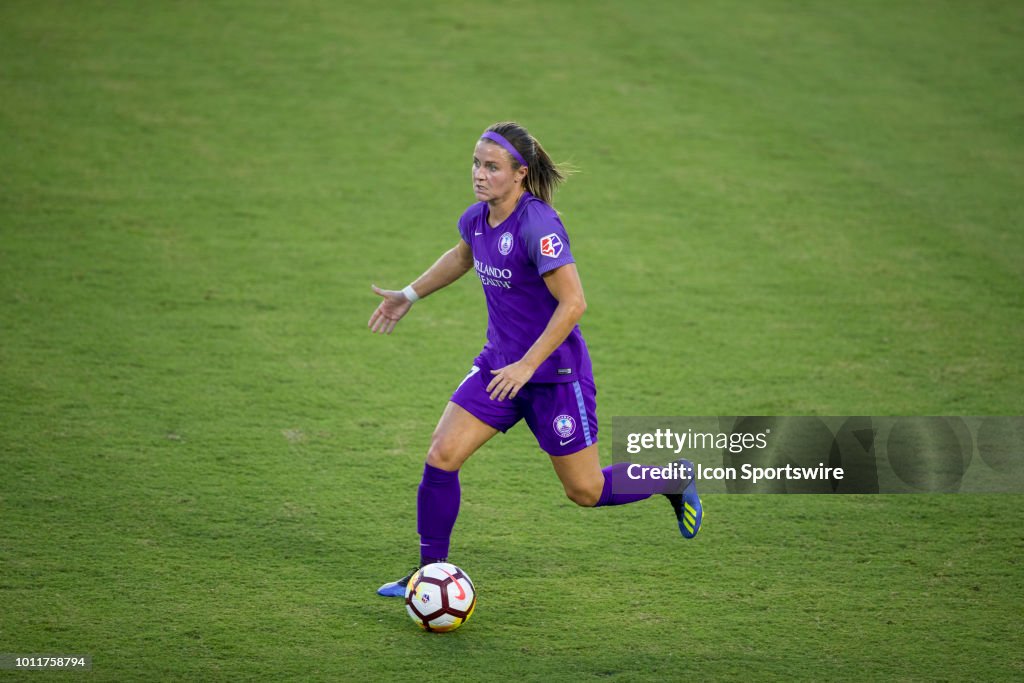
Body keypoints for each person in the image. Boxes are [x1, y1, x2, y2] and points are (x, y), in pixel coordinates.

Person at [368, 122, 702, 597]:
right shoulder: (478, 218)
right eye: (476, 164)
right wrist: (409, 294)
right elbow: (463, 256)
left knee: (585, 491)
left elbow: (574, 304)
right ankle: (429, 574)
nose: (479, 175)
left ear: (520, 174)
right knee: (441, 456)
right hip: (497, 368)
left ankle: (671, 477)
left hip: (553, 378)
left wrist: (527, 366)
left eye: (492, 167)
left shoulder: (538, 225)